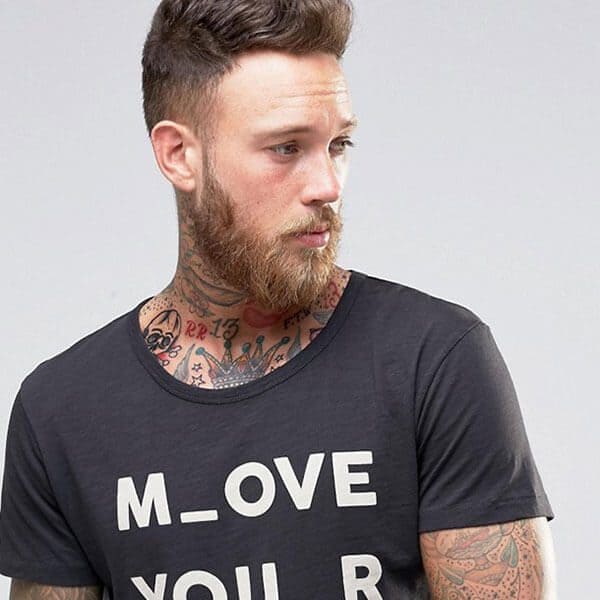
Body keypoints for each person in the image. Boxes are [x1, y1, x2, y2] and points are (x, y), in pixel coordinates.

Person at [0, 1, 557, 599]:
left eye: (338, 144)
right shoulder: (62, 410)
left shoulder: (435, 359)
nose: (328, 186)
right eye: (286, 148)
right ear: (178, 155)